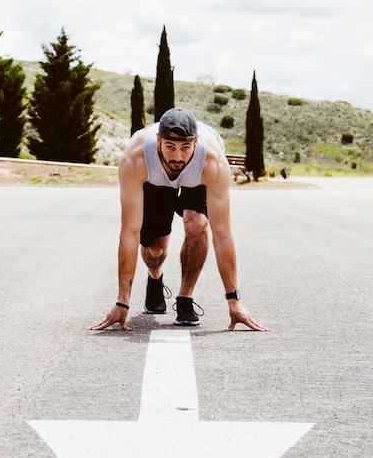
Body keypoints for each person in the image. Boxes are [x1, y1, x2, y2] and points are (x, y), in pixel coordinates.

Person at [90, 107, 268, 332]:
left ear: (195, 143)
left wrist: (234, 301)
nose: (177, 156)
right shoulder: (136, 159)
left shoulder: (212, 162)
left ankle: (185, 297)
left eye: (185, 147)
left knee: (196, 224)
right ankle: (155, 277)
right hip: (155, 178)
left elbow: (222, 234)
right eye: (170, 147)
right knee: (155, 249)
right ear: (158, 141)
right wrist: (121, 302)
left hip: (198, 176)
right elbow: (130, 233)